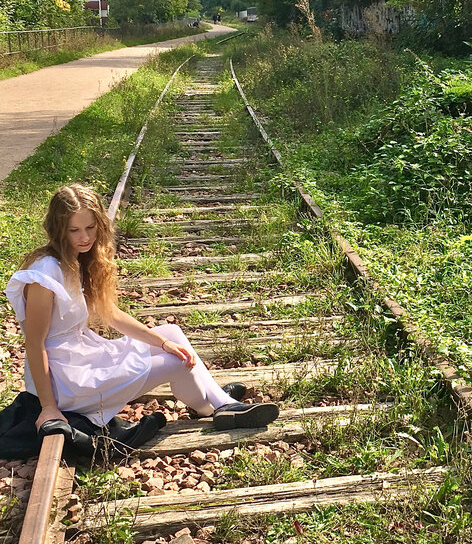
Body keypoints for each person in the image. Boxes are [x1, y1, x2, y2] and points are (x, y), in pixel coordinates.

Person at [5, 184, 279, 445]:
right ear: (58, 230)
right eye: (74, 230)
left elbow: (110, 314)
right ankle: (214, 406)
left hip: (81, 356)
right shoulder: (43, 276)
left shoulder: (75, 260)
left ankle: (218, 403)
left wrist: (161, 343)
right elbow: (34, 342)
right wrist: (49, 407)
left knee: (172, 335)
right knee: (178, 362)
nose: (85, 237)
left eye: (90, 227)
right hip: (67, 378)